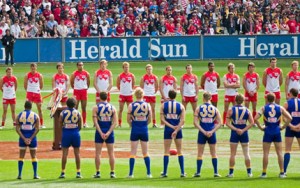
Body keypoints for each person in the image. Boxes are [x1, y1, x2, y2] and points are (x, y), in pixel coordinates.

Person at [254, 93, 292, 178]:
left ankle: (264, 173)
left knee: (266, 153)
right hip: (277, 131)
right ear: (274, 99)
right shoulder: (280, 108)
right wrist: (283, 127)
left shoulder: (264, 108)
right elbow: (290, 118)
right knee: (279, 153)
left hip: (267, 131)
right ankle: (282, 172)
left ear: (267, 99)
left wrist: (260, 127)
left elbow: (255, 118)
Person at [193, 91, 222, 178]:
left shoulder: (198, 108)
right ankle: (216, 172)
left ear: (203, 98)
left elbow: (195, 122)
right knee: (213, 153)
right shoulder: (215, 109)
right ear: (211, 98)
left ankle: (198, 172)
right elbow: (220, 123)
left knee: (200, 153)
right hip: (211, 132)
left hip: (202, 133)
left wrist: (203, 131)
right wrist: (212, 131)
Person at [225, 93, 254, 178]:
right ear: (243, 101)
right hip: (244, 133)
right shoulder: (247, 110)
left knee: (233, 154)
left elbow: (227, 123)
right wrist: (243, 130)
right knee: (246, 153)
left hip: (234, 133)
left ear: (235, 100)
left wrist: (236, 129)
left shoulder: (231, 110)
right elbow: (252, 123)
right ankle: (249, 172)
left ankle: (231, 173)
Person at [127, 87, 152, 178]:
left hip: (135, 129)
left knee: (133, 152)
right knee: (145, 152)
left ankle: (131, 174)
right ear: (143, 95)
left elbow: (128, 119)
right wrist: (144, 124)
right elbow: (150, 118)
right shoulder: (147, 105)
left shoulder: (131, 105)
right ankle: (149, 173)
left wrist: (133, 125)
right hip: (144, 129)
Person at [160, 89, 186, 178]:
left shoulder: (164, 105)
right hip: (178, 129)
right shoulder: (181, 106)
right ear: (175, 96)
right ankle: (182, 172)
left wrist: (171, 127)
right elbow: (183, 120)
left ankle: (165, 172)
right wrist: (176, 129)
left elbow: (162, 119)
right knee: (180, 151)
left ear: (168, 95)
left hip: (168, 129)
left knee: (166, 151)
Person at [93, 91, 117, 178]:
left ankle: (98, 172)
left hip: (100, 131)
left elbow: (95, 122)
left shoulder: (96, 107)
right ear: (107, 97)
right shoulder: (112, 107)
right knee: (111, 153)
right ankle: (112, 172)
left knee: (98, 153)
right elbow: (115, 122)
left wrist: (100, 133)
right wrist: (108, 133)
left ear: (100, 97)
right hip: (109, 131)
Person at [58, 97, 83, 178]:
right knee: (77, 153)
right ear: (75, 104)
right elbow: (80, 125)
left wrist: (64, 129)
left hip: (66, 132)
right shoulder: (78, 112)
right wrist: (75, 129)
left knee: (64, 154)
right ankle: (78, 172)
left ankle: (63, 172)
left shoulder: (63, 112)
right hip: (75, 132)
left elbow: (60, 123)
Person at [15, 101, 40, 179]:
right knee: (34, 156)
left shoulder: (19, 115)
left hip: (23, 138)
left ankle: (19, 175)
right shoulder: (36, 116)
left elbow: (17, 129)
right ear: (31, 107)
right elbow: (37, 129)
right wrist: (30, 139)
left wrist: (24, 138)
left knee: (21, 156)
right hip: (32, 138)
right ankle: (35, 174)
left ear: (24, 106)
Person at [283, 88, 300, 175]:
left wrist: (290, 126)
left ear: (290, 94)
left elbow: (284, 116)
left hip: (289, 129)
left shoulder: (287, 103)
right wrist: (297, 126)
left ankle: (284, 172)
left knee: (287, 150)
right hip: (299, 128)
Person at [24, 63, 45, 128]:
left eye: (34, 68)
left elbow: (41, 85)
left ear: (36, 68)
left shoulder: (39, 75)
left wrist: (37, 91)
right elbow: (25, 85)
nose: (33, 70)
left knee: (39, 109)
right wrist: (29, 91)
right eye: (32, 68)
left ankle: (41, 124)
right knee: (28, 109)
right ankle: (28, 123)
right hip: (29, 94)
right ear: (30, 68)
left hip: (37, 94)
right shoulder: (27, 75)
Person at [70, 62, 90, 128]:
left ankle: (84, 122)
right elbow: (71, 82)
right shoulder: (74, 74)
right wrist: (75, 88)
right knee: (75, 107)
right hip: (76, 91)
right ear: (77, 66)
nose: (81, 66)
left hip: (84, 91)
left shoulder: (86, 73)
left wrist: (85, 87)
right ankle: (75, 122)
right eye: (79, 65)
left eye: (81, 65)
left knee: (84, 108)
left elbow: (88, 82)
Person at [116, 62, 135, 127]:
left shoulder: (132, 75)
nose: (126, 68)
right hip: (122, 95)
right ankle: (119, 123)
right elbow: (117, 85)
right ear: (123, 68)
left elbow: (133, 85)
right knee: (120, 109)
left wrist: (129, 90)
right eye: (125, 67)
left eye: (127, 67)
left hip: (129, 94)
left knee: (130, 110)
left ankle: (131, 123)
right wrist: (122, 90)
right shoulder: (120, 76)